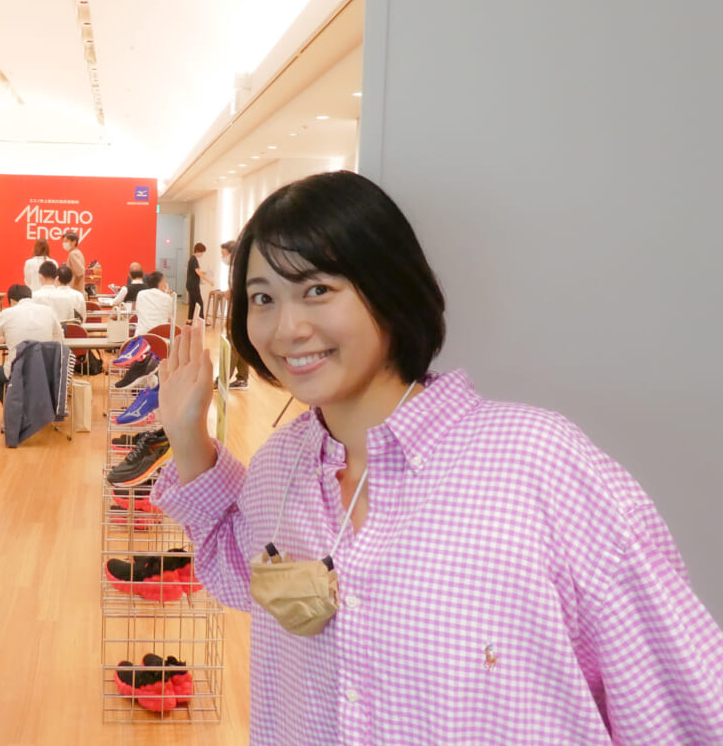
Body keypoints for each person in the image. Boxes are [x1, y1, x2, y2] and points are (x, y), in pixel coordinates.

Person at [152, 171, 723, 745]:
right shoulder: (281, 466)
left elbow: (682, 708)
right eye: (263, 298)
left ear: (388, 288)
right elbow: (234, 572)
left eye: (318, 290)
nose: (287, 328)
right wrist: (186, 433)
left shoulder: (539, 465)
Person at [0, 283, 62, 403]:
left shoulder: (7, 314)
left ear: (11, 301)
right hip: (45, 371)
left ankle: (13, 408)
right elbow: (60, 340)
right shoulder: (49, 311)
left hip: (17, 371)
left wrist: (5, 337)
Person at [217, 239, 248, 389]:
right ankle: (242, 378)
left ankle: (223, 379)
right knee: (240, 345)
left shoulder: (240, 269)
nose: (223, 257)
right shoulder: (239, 268)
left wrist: (231, 293)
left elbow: (241, 290)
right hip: (238, 311)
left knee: (232, 344)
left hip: (238, 312)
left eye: (224, 253)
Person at [134, 271, 175, 336]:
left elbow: (137, 313)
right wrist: (171, 298)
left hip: (141, 336)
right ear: (161, 283)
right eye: (165, 281)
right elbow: (171, 319)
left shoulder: (140, 294)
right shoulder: (168, 298)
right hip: (161, 337)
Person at [185, 242, 209, 323]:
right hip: (193, 285)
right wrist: (208, 280)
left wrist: (203, 272)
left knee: (192, 302)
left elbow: (196, 271)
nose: (202, 254)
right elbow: (197, 272)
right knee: (199, 302)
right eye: (202, 252)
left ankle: (189, 320)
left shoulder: (192, 259)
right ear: (198, 250)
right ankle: (202, 321)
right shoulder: (194, 260)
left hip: (190, 284)